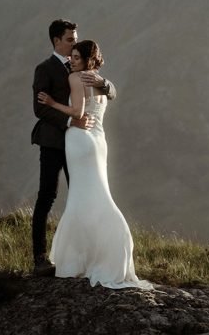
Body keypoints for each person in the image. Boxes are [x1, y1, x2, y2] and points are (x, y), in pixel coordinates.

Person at [37, 39, 153, 290]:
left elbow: (78, 113)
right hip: (99, 142)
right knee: (97, 194)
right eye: (72, 55)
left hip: (80, 140)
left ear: (88, 59)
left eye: (77, 57)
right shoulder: (99, 81)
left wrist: (52, 103)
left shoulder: (77, 79)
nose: (72, 60)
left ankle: (76, 259)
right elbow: (106, 96)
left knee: (80, 197)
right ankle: (108, 250)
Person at [31, 20, 115, 277]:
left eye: (76, 39)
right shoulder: (44, 68)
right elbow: (40, 108)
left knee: (81, 196)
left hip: (78, 143)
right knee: (47, 196)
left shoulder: (81, 68)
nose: (74, 43)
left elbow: (109, 92)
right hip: (54, 143)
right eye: (70, 39)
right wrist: (70, 120)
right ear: (56, 41)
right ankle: (41, 258)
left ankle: (87, 255)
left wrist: (105, 83)